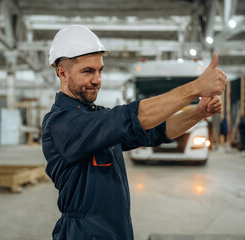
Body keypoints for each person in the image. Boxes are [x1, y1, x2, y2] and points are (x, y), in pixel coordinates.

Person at [42, 25, 227, 240]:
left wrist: (198, 112)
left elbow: (157, 131)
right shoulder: (62, 123)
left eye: (100, 70)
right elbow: (131, 117)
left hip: (115, 230)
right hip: (83, 233)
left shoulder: (94, 118)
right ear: (62, 72)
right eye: (87, 71)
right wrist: (194, 88)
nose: (97, 79)